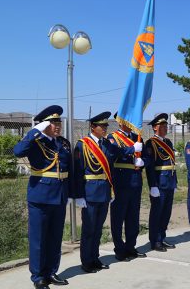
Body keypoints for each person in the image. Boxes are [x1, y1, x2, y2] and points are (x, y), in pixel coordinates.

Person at [13, 105, 73, 289]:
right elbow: (17, 151)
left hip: (60, 196)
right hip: (40, 195)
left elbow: (69, 169)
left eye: (58, 122)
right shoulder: (35, 141)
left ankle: (51, 272)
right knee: (38, 239)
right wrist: (33, 132)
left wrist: (71, 194)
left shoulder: (63, 143)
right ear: (44, 124)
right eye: (53, 122)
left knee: (55, 238)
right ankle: (38, 276)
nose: (57, 125)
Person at [74, 111, 137, 273]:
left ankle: (95, 258)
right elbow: (78, 171)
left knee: (98, 229)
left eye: (105, 126)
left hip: (104, 191)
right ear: (93, 127)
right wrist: (79, 195)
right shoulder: (83, 144)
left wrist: (133, 148)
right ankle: (86, 261)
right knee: (89, 229)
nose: (105, 129)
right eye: (102, 126)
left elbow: (120, 152)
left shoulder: (106, 144)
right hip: (89, 192)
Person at [107, 113, 146, 262]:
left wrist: (143, 162)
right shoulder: (113, 138)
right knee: (118, 217)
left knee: (133, 217)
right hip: (121, 182)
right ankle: (119, 249)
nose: (130, 123)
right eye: (127, 120)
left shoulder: (137, 138)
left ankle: (131, 247)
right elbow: (112, 153)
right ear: (120, 121)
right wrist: (131, 149)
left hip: (135, 181)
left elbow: (147, 156)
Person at [143, 113, 178, 251]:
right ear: (155, 128)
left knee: (166, 213)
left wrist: (174, 182)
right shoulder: (151, 143)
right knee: (157, 212)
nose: (165, 128)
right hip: (159, 182)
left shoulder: (168, 142)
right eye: (162, 126)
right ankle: (155, 241)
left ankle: (162, 237)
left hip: (169, 182)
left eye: (166, 125)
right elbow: (150, 166)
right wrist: (153, 185)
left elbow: (171, 164)